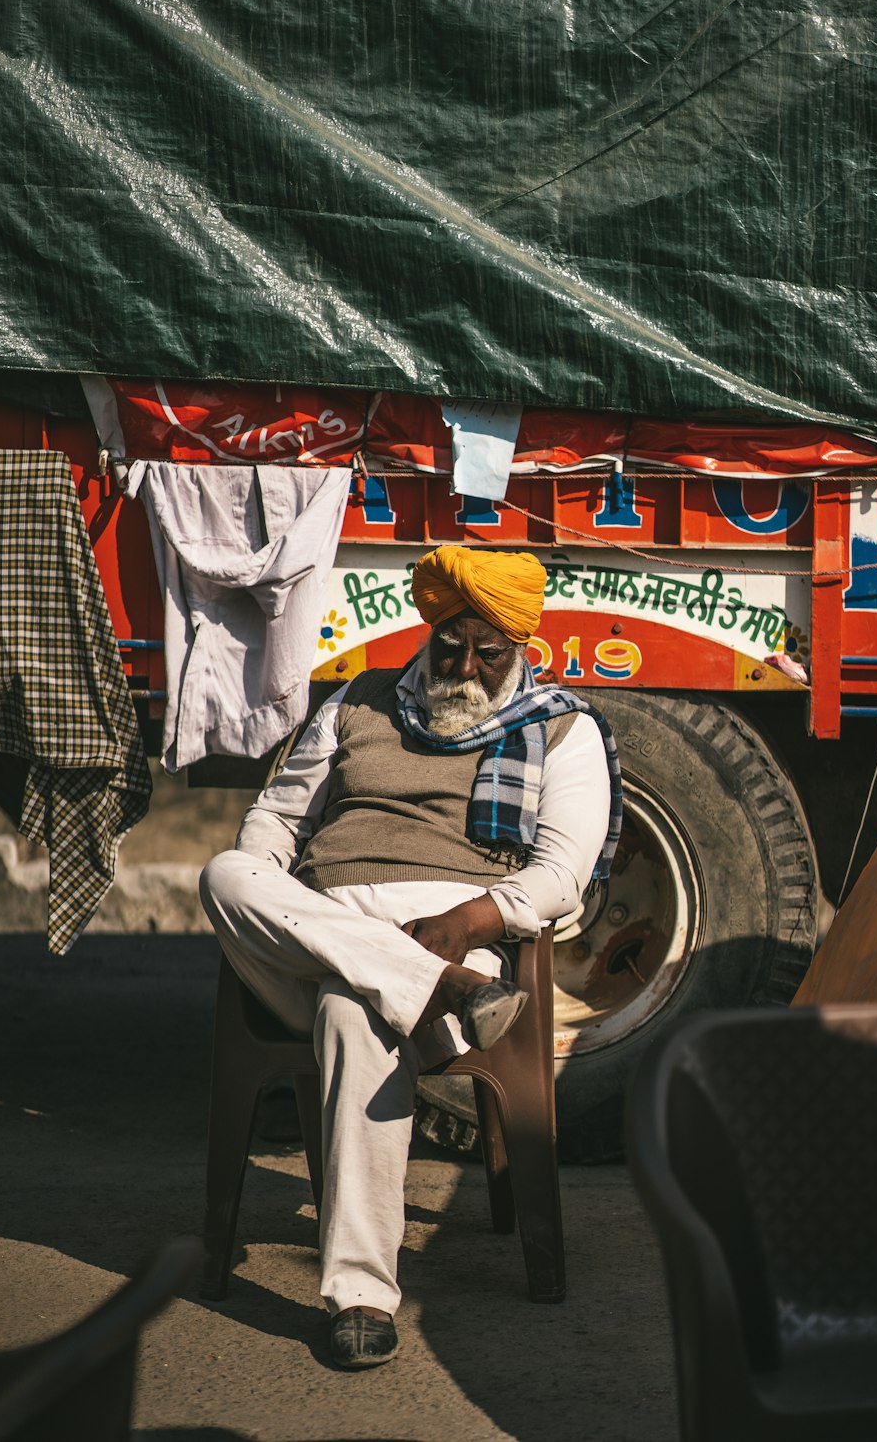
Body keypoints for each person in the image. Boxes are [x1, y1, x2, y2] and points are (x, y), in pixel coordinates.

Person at [199, 544, 619, 1368]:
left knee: (353, 1009)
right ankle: (432, 989)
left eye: (488, 652)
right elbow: (278, 818)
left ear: (520, 651)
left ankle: (359, 1297)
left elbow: (561, 875)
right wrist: (297, 896)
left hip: (446, 936)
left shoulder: (563, 730)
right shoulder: (359, 702)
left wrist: (467, 922)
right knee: (226, 874)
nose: (465, 666)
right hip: (337, 939)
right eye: (451, 644)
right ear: (430, 632)